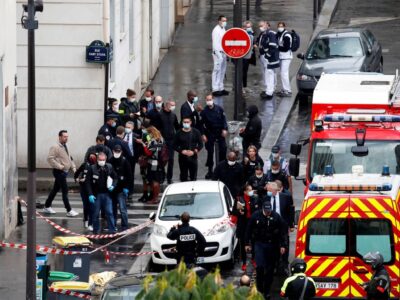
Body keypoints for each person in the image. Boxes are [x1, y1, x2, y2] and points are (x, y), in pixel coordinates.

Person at [245, 201, 287, 299]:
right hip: (259, 244)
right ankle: (260, 290)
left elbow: (282, 232)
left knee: (270, 270)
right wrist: (247, 243)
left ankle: (267, 291)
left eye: (269, 211)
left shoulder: (276, 217)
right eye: (266, 211)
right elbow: (248, 230)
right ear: (263, 209)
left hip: (272, 245)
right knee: (260, 268)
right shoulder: (256, 216)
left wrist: (283, 245)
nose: (268, 213)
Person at [43, 130, 79, 217]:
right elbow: (50, 158)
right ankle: (69, 210)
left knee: (55, 189)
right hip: (59, 172)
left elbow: (70, 158)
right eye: (64, 136)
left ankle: (47, 206)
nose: (66, 138)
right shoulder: (55, 147)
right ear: (59, 137)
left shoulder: (66, 146)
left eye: (67, 136)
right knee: (65, 190)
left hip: (64, 172)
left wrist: (74, 169)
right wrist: (60, 166)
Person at [264, 181, 295, 275]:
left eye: (269, 190)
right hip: (270, 226)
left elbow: (290, 211)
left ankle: (284, 265)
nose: (267, 192)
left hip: (283, 225)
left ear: (274, 190)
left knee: (284, 244)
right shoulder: (266, 198)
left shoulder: (286, 197)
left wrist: (291, 225)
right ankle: (273, 264)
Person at [85, 152, 118, 234]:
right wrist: (90, 194)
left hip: (107, 194)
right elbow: (87, 182)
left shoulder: (109, 167)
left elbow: (115, 178)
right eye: (100, 160)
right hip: (96, 194)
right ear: (97, 159)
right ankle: (96, 231)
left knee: (109, 212)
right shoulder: (92, 168)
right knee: (95, 214)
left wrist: (113, 186)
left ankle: (112, 231)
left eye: (103, 160)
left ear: (106, 159)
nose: (102, 161)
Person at [233, 184, 261, 271]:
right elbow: (234, 211)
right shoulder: (238, 199)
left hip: (252, 223)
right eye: (249, 190)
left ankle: (253, 258)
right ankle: (244, 262)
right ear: (245, 191)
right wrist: (239, 213)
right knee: (243, 243)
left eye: (251, 190)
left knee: (253, 241)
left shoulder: (255, 199)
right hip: (243, 223)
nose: (251, 192)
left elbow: (258, 210)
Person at [200, 94, 228, 179]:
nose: (209, 101)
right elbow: (201, 124)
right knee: (210, 152)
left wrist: (225, 129)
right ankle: (210, 170)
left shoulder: (219, 109)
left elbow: (224, 120)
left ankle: (222, 168)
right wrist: (203, 134)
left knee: (223, 149)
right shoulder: (204, 112)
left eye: (210, 99)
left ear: (213, 99)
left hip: (219, 132)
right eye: (207, 100)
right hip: (210, 132)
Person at [109, 145, 133, 231]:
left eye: (118, 152)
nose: (117, 153)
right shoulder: (110, 161)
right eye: (116, 151)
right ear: (113, 151)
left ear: (121, 152)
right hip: (112, 189)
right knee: (113, 208)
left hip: (121, 189)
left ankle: (125, 225)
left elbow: (129, 176)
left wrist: (127, 187)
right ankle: (113, 224)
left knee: (123, 209)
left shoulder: (125, 161)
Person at [157, 99, 180, 184]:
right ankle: (162, 176)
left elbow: (177, 127)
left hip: (171, 140)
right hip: (162, 140)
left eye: (174, 105)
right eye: (172, 105)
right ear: (167, 105)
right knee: (162, 159)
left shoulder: (173, 115)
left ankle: (169, 178)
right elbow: (157, 128)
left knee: (171, 159)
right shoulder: (160, 115)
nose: (173, 107)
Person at [174, 117, 203, 182]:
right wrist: (181, 151)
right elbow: (174, 145)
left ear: (190, 122)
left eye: (187, 122)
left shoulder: (196, 132)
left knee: (193, 177)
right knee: (183, 177)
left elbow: (201, 144)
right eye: (184, 122)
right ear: (182, 123)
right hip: (182, 157)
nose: (186, 123)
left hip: (193, 157)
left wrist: (195, 151)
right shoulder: (178, 133)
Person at [74, 153, 97, 230]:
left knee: (92, 206)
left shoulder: (96, 167)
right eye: (91, 157)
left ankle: (91, 222)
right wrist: (78, 179)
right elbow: (77, 173)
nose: (92, 158)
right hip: (84, 188)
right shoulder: (84, 165)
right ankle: (86, 219)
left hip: (93, 189)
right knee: (86, 205)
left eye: (93, 157)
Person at [143, 126, 165, 204]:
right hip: (160, 162)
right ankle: (155, 197)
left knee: (154, 180)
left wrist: (144, 145)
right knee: (157, 180)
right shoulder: (161, 139)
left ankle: (155, 198)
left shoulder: (153, 141)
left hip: (153, 163)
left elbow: (149, 152)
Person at [258, 21, 279, 100]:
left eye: (262, 25)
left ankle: (269, 92)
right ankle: (268, 90)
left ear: (267, 25)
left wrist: (268, 55)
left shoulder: (270, 34)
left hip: (270, 58)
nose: (261, 27)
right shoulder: (264, 33)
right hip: (265, 56)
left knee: (269, 74)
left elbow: (273, 46)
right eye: (260, 26)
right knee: (267, 74)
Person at [211, 15, 229, 97]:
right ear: (219, 21)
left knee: (222, 71)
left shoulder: (223, 29)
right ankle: (215, 89)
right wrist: (219, 55)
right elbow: (215, 44)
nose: (224, 22)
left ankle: (221, 87)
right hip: (218, 54)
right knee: (217, 70)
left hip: (223, 53)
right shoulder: (216, 30)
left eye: (225, 20)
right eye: (223, 20)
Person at [276, 22, 293, 97]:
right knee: (283, 73)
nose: (280, 27)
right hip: (282, 57)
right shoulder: (280, 34)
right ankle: (284, 89)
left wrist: (277, 47)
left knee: (284, 73)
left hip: (286, 57)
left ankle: (287, 90)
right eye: (279, 26)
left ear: (284, 27)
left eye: (281, 26)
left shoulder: (286, 35)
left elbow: (286, 48)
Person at [242, 21, 255, 92]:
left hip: (248, 56)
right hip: (243, 57)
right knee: (242, 72)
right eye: (247, 27)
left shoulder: (251, 34)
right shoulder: (243, 34)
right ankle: (241, 87)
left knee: (245, 72)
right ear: (244, 27)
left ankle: (244, 86)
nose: (249, 28)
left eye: (250, 27)